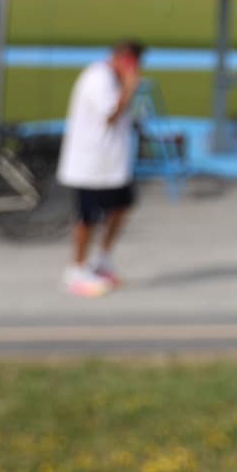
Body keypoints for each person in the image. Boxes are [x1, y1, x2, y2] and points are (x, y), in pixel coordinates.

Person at [56, 40, 145, 297]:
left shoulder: (113, 79)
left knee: (121, 207)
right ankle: (76, 268)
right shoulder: (98, 78)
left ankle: (101, 259)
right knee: (87, 217)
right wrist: (128, 89)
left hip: (113, 164)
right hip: (90, 165)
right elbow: (110, 114)